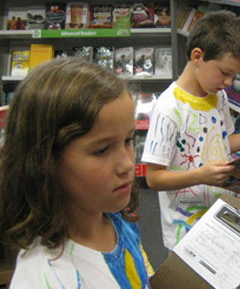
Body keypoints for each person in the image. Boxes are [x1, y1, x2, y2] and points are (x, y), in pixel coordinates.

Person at [0, 57, 154, 288]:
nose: (127, 165)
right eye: (102, 150)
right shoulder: (45, 278)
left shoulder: (117, 217)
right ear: (45, 160)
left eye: (128, 140)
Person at [141, 10, 240, 250]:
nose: (229, 82)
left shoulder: (218, 97)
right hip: (184, 231)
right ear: (198, 56)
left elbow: (222, 142)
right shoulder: (168, 109)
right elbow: (153, 178)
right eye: (225, 73)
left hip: (221, 217)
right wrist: (200, 176)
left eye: (235, 75)